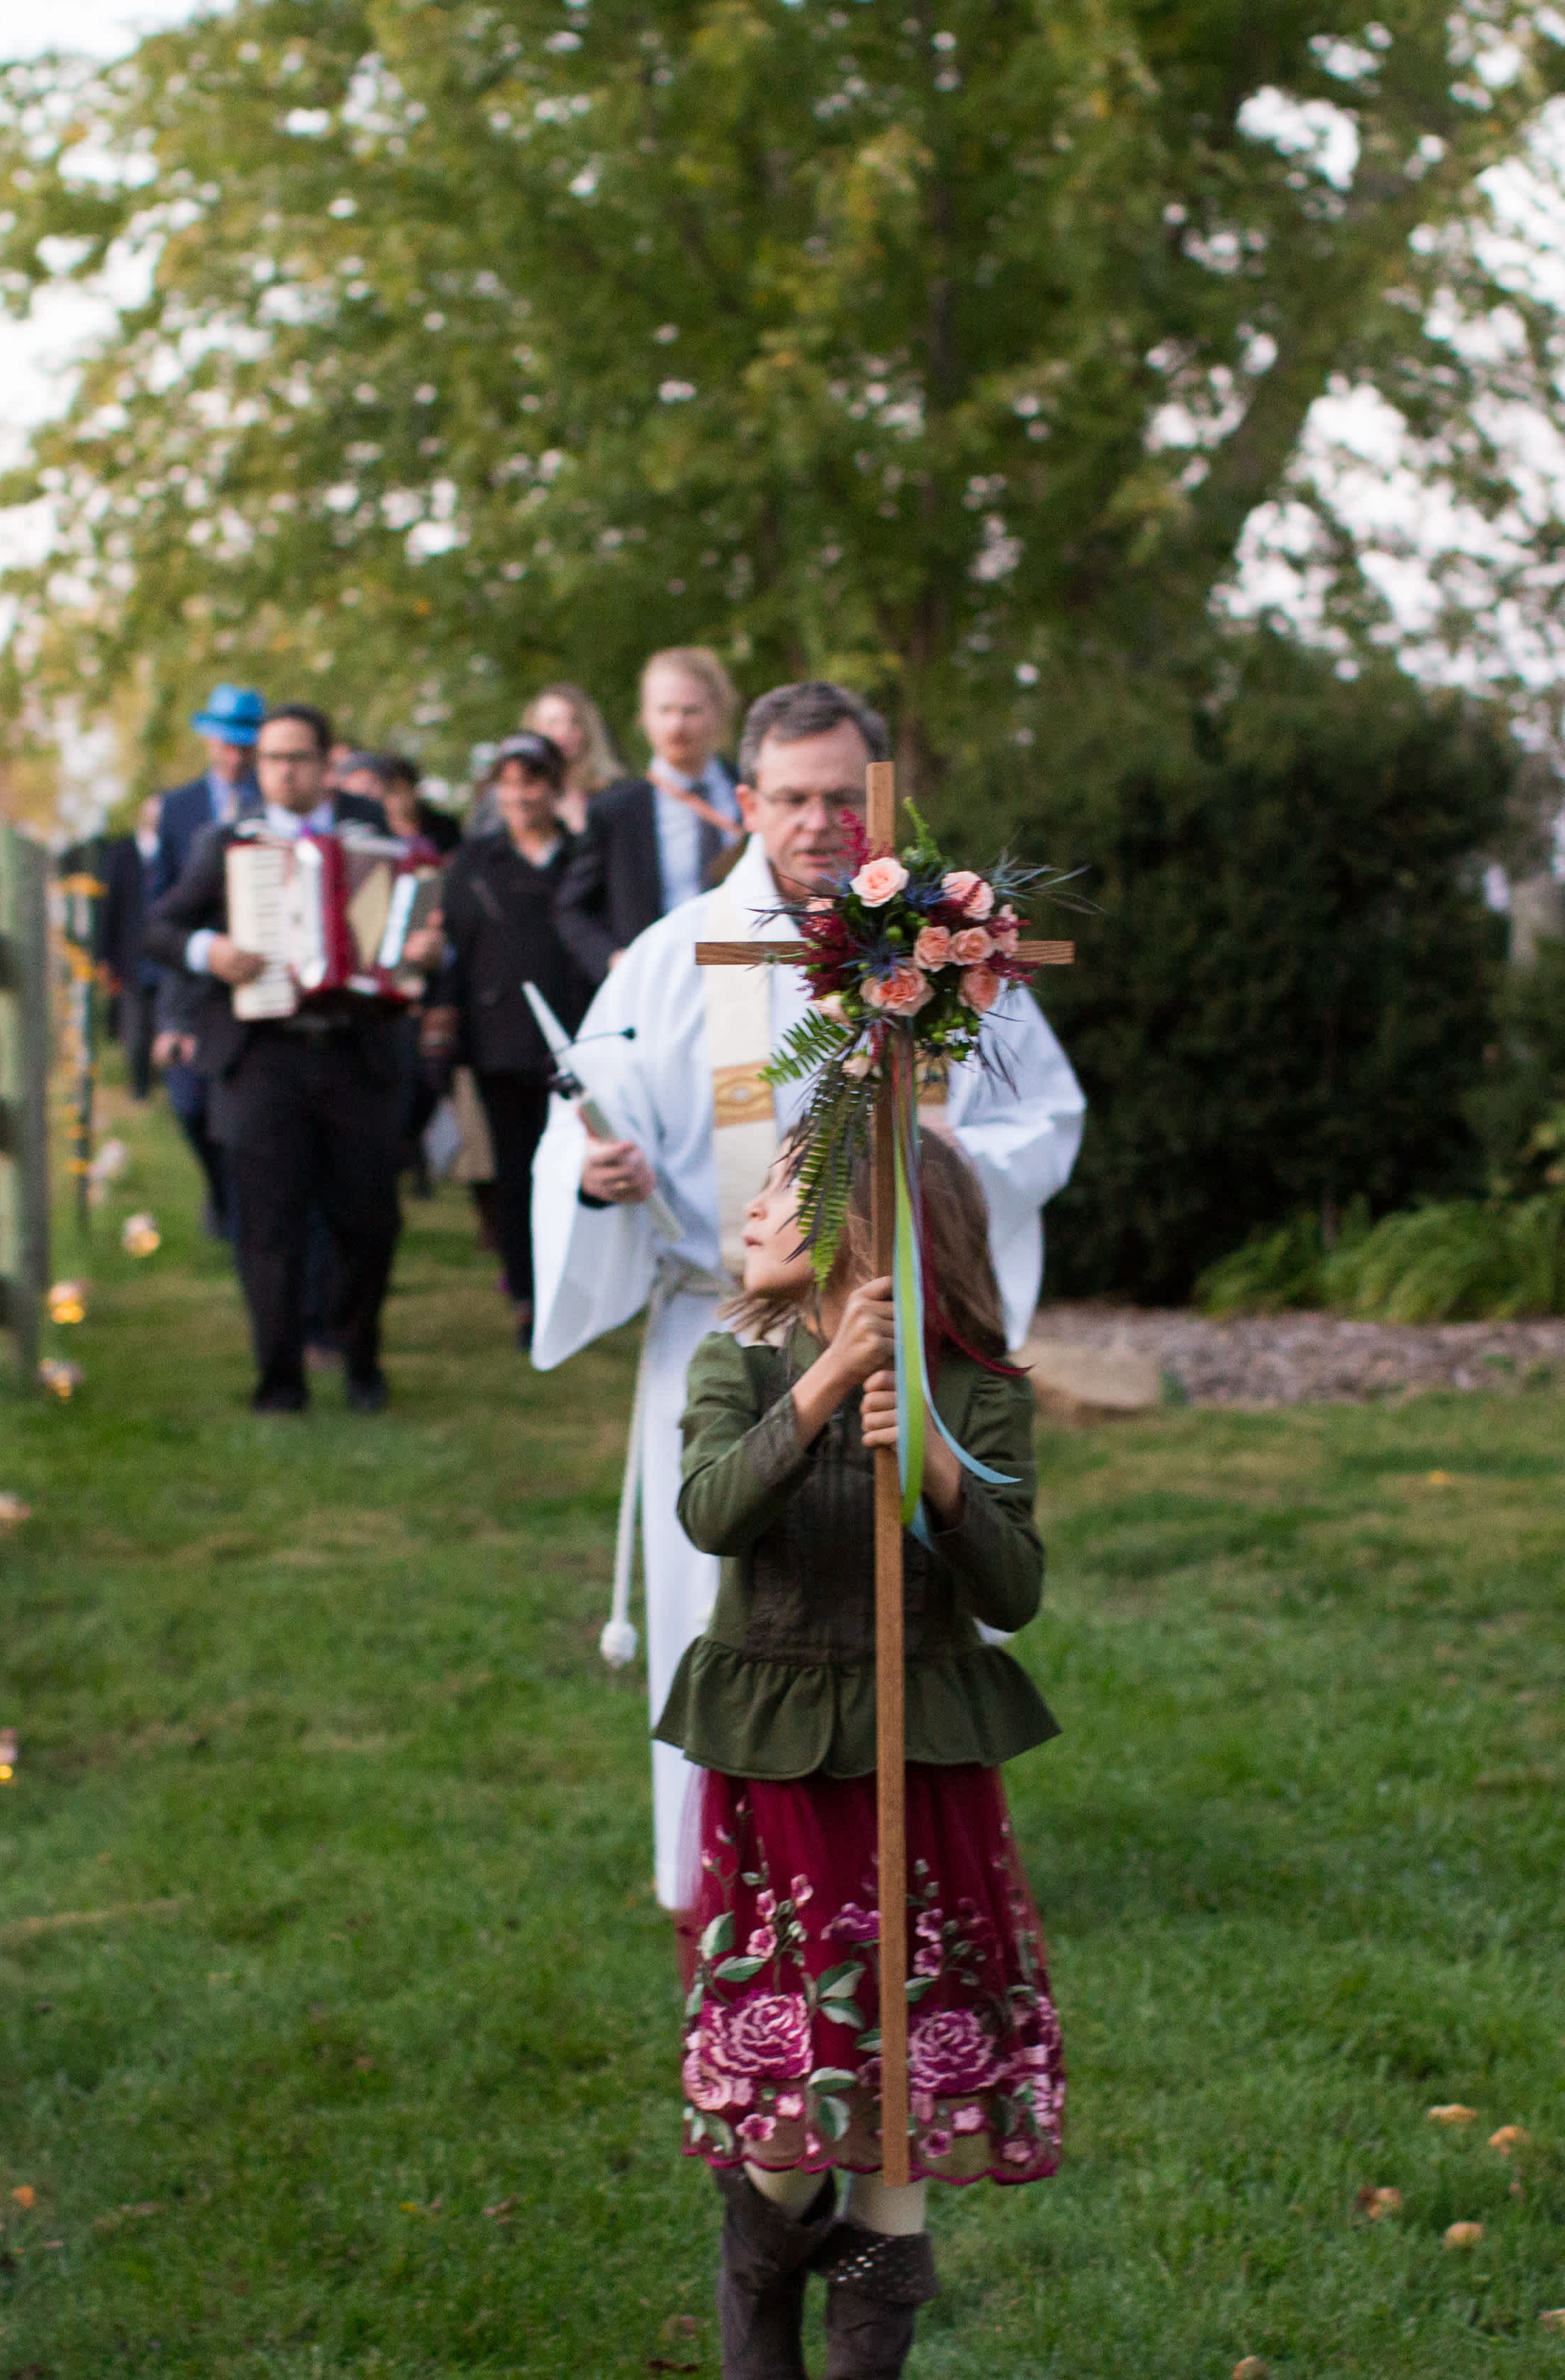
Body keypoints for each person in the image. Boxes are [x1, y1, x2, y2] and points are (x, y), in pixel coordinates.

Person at [531, 678, 1085, 1939]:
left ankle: (918, 1877)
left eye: (845, 797)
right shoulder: (676, 955)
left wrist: (940, 1173)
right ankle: (734, 1880)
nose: (819, 822)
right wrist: (596, 1172)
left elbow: (1045, 1120)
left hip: (905, 1337)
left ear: (884, 800)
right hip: (733, 1344)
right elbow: (591, 1112)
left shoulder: (950, 952)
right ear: (745, 802)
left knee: (918, 1590)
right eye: (791, 797)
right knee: (732, 1602)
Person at [668, 1129, 1061, 2380]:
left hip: (921, 1763)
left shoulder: (978, 1389)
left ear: (868, 1224)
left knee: (906, 2065)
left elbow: (1016, 1589)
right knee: (805, 2069)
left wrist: (940, 1470)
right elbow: (712, 1514)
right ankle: (758, 2268)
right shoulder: (738, 1365)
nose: (758, 1202)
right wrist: (829, 1379)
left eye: (791, 1183)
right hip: (783, 1764)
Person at [147, 703, 425, 1413]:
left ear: (326, 764)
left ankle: (361, 1362)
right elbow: (162, 927)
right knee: (268, 1226)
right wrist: (211, 951)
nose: (283, 772)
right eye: (271, 759)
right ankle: (280, 1380)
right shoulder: (229, 841)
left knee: (369, 1221)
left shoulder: (371, 830)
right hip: (263, 1057)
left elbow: (415, 914)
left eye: (298, 757)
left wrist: (423, 946)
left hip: (356, 1049)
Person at [427, 733, 592, 1327]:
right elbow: (454, 956)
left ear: (555, 787)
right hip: (500, 1040)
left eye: (533, 782)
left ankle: (579, 1286)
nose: (521, 796)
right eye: (509, 783)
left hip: (579, 1039)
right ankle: (527, 1294)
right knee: (517, 1172)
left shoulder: (584, 856)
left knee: (581, 1168)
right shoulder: (474, 863)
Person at [137, 683, 271, 1238]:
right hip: (192, 980)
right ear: (210, 741)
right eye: (227, 744)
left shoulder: (276, 801)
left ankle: (249, 1216)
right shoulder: (178, 808)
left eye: (246, 745)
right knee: (191, 1105)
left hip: (261, 976)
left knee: (247, 1115)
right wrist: (170, 1018)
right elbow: (161, 917)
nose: (235, 757)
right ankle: (224, 1199)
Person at [571, 646, 743, 978]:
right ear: (644, 717)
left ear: (718, 713)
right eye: (664, 710)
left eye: (691, 711)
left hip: (744, 969)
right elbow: (572, 909)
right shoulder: (616, 810)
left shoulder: (756, 793)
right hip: (661, 978)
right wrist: (612, 960)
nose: (677, 725)